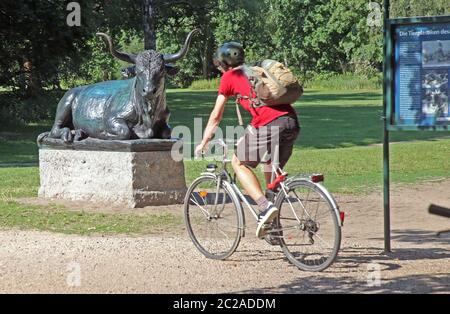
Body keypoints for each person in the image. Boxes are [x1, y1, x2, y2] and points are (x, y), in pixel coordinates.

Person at [195, 42, 300, 239]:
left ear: (225, 63)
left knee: (238, 162)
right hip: (291, 123)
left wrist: (204, 141)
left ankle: (264, 207)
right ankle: (274, 229)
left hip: (269, 125)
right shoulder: (254, 71)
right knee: (271, 170)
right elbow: (261, 108)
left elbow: (216, 116)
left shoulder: (229, 77)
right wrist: (249, 132)